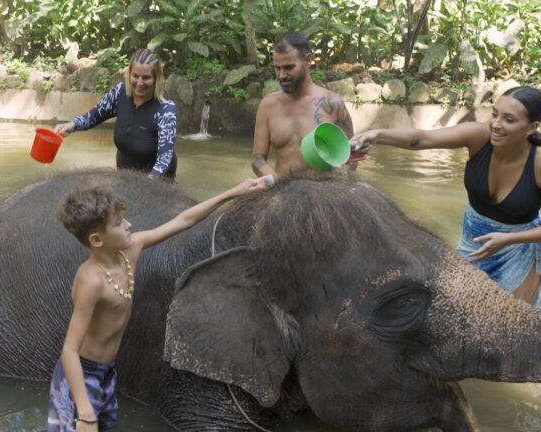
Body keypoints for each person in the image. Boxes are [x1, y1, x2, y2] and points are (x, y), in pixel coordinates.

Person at [47, 177, 259, 431]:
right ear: (96, 240)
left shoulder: (131, 250)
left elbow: (183, 220)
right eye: (118, 224)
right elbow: (69, 350)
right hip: (80, 378)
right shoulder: (91, 280)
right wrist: (85, 412)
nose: (129, 225)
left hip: (107, 371)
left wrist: (233, 192)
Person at [351, 86, 541, 306]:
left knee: (509, 326)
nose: (496, 124)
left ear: (532, 127)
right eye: (495, 114)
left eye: (509, 120)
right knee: (457, 315)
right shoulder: (479, 137)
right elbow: (423, 139)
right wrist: (377, 135)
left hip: (519, 252)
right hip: (472, 244)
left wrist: (509, 239)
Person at [54, 49, 177, 181]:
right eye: (135, 76)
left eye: (146, 78)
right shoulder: (120, 93)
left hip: (157, 181)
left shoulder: (166, 109)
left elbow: (164, 159)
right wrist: (71, 125)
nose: (139, 83)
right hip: (124, 174)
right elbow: (93, 116)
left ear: (156, 78)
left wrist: (146, 186)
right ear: (129, 74)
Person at [252, 31, 354, 179]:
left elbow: (352, 159)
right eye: (277, 68)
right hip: (282, 192)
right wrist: (274, 183)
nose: (282, 75)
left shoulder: (333, 104)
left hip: (322, 195)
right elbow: (257, 160)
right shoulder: (268, 105)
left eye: (288, 67)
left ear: (308, 61)